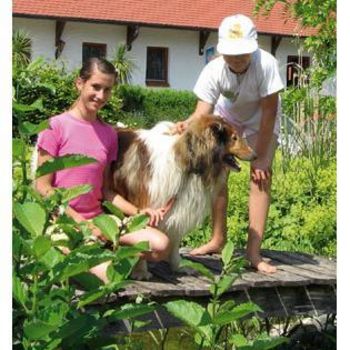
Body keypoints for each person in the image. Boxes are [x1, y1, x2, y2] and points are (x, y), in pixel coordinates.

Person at [35, 57, 172, 283]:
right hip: (64, 221)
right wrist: (81, 223)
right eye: (95, 87)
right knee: (109, 277)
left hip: (100, 221)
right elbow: (42, 187)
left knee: (161, 246)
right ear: (79, 84)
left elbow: (106, 191)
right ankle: (77, 254)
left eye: (107, 90)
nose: (101, 96)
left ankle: (95, 254)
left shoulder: (108, 134)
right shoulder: (55, 126)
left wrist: (138, 213)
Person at [173, 14, 284, 273]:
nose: (236, 59)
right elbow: (202, 114)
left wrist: (261, 156)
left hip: (261, 120)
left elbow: (269, 113)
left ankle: (253, 253)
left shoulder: (266, 65)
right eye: (231, 54)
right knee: (217, 171)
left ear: (253, 48)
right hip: (229, 116)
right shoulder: (213, 69)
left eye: (243, 54)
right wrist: (185, 125)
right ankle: (217, 238)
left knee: (260, 176)